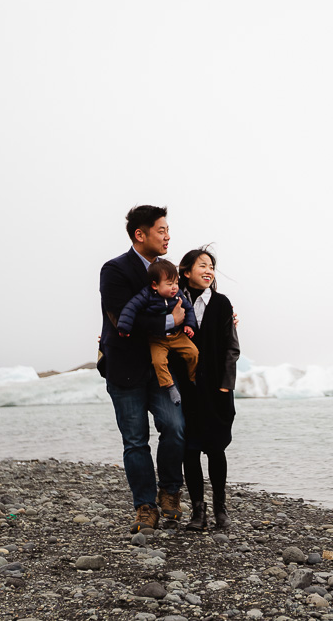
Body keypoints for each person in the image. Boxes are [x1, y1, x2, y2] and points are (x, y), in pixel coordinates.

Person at [98, 205, 187, 533]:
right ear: (141, 234)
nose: (167, 236)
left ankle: (170, 492)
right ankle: (145, 506)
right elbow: (124, 319)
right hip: (124, 368)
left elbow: (186, 304)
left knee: (175, 429)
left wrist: (224, 319)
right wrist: (169, 321)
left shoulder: (169, 270)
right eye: (161, 230)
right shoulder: (115, 270)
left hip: (162, 368)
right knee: (135, 441)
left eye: (167, 230)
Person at [177, 247, 240, 530]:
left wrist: (226, 386)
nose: (209, 271)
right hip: (186, 390)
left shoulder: (222, 304)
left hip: (217, 390)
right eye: (202, 265)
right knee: (189, 450)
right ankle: (197, 511)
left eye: (211, 266)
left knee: (216, 449)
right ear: (186, 271)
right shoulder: (173, 301)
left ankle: (220, 508)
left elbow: (231, 348)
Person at [117, 259, 199, 406]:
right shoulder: (146, 295)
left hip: (177, 336)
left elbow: (189, 309)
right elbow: (130, 309)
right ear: (155, 285)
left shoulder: (178, 295)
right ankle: (170, 387)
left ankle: (193, 378)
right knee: (159, 361)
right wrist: (124, 327)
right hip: (157, 339)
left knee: (193, 352)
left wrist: (189, 325)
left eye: (175, 283)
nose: (174, 287)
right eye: (169, 284)